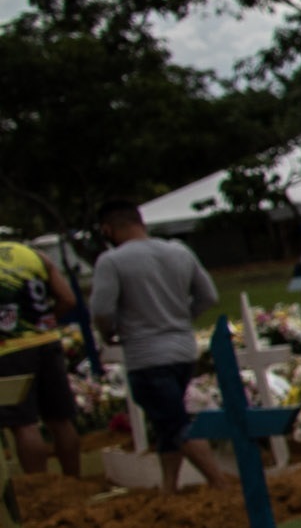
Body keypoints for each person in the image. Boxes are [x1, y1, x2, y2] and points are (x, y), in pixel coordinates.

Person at [83, 204, 221, 492]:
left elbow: (102, 310)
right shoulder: (179, 251)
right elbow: (208, 295)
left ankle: (220, 482)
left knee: (175, 421)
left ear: (108, 229)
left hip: (146, 355)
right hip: (183, 351)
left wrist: (109, 334)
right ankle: (168, 487)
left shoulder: (112, 261)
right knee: (166, 423)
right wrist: (180, 320)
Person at [0, 232, 85, 479]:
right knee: (60, 420)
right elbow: (68, 299)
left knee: (24, 424)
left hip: (9, 350)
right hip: (48, 343)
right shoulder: (34, 255)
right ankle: (74, 481)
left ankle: (40, 487)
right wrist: (44, 323)